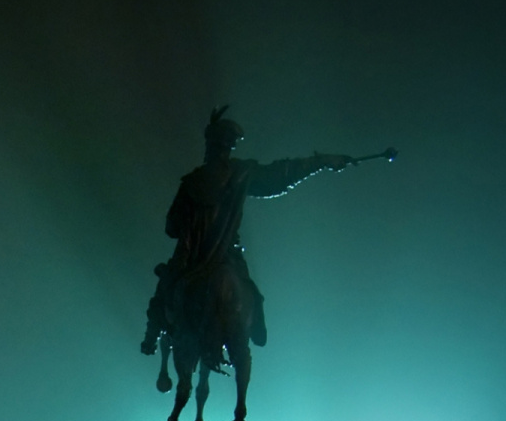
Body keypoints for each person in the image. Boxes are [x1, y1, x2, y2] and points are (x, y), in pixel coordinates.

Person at [141, 107, 360, 355]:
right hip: (226, 254)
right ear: (230, 146)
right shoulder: (242, 172)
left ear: (209, 145)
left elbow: (171, 227)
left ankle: (151, 339)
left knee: (163, 295)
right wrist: (322, 161)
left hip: (190, 257)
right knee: (251, 293)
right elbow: (281, 175)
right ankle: (255, 328)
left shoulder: (190, 182)